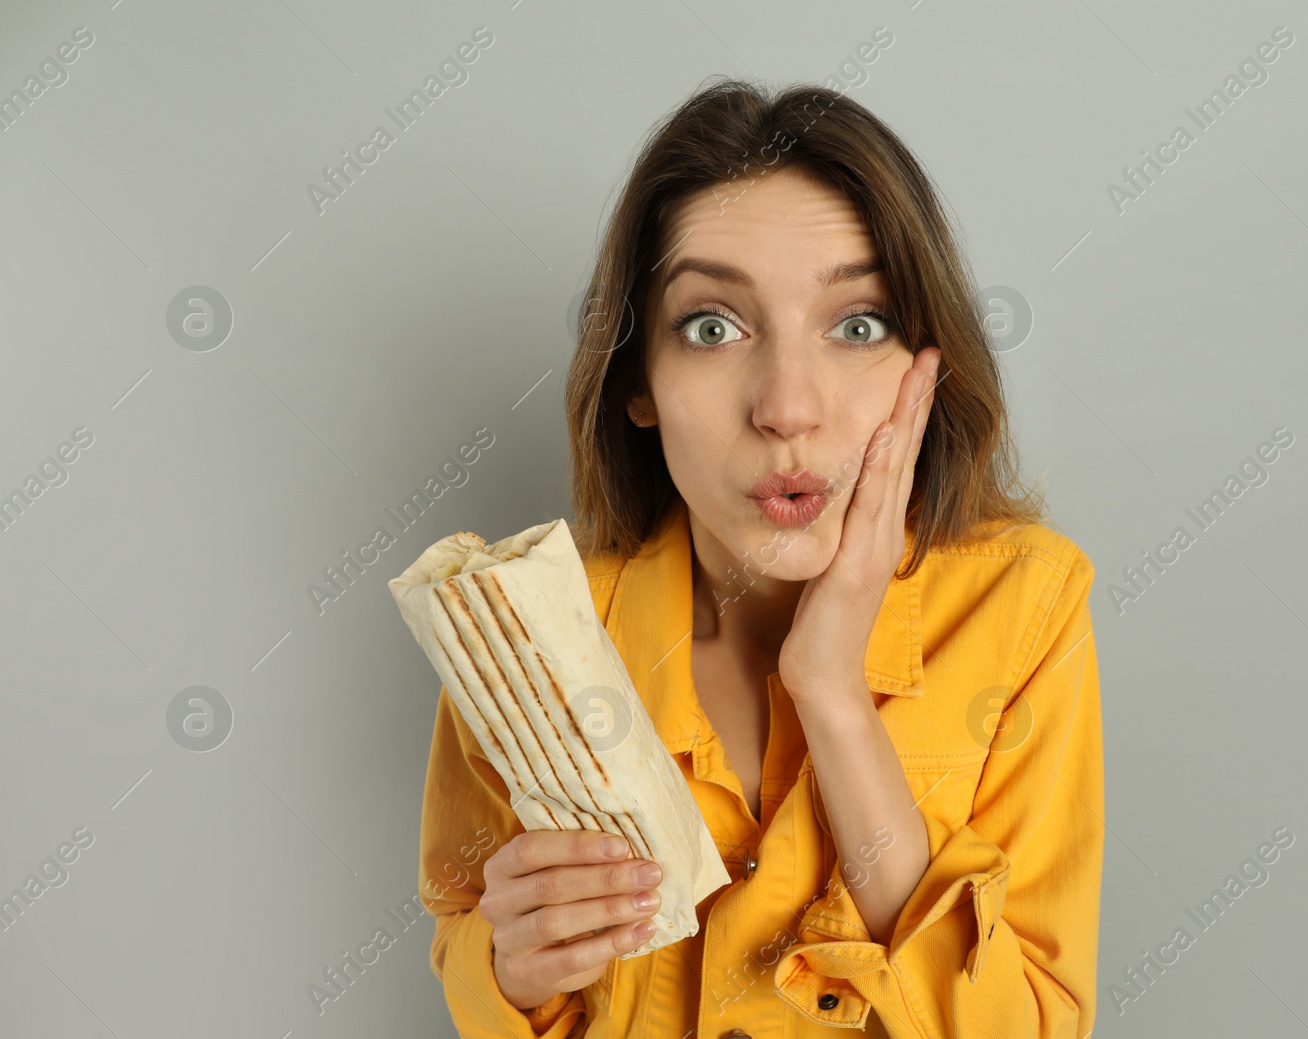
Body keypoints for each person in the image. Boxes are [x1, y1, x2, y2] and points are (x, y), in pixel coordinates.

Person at [417, 75, 1104, 1038]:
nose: (788, 405)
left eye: (857, 324)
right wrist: (510, 975)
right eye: (712, 327)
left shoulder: (1026, 607)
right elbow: (464, 932)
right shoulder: (516, 638)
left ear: (927, 365)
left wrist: (831, 693)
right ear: (637, 381)